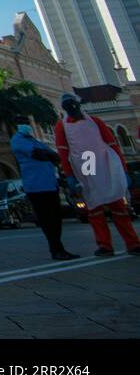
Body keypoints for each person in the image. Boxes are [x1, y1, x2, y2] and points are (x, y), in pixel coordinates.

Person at [54, 93, 140, 257]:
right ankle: (105, 245)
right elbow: (63, 152)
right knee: (94, 208)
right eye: (67, 105)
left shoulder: (95, 121)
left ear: (78, 105)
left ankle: (133, 243)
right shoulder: (61, 126)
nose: (72, 107)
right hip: (86, 166)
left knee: (118, 206)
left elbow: (112, 145)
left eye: (73, 104)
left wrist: (123, 169)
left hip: (104, 163)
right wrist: (69, 174)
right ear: (64, 109)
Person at [10, 114, 78, 260]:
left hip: (49, 184)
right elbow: (39, 153)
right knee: (47, 219)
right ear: (15, 125)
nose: (25, 124)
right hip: (36, 186)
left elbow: (55, 156)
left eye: (26, 122)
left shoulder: (33, 140)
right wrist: (48, 154)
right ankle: (55, 249)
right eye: (21, 122)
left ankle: (59, 248)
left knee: (56, 218)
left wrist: (48, 154)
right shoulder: (17, 140)